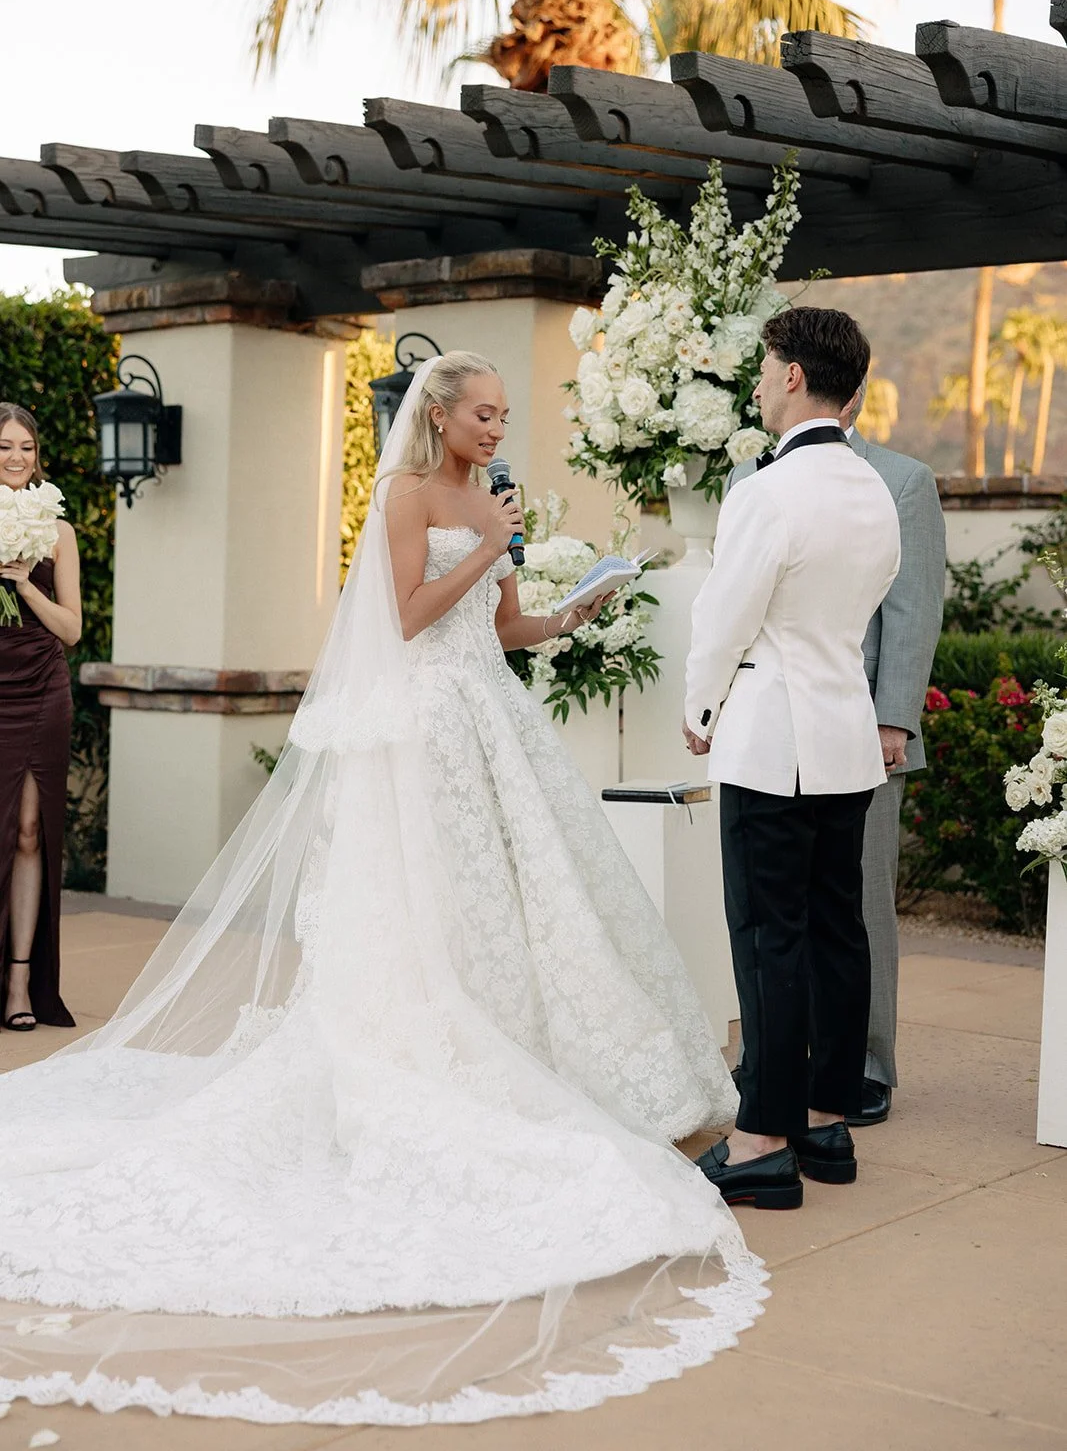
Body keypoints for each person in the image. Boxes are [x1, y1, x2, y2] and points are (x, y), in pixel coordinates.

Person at [0, 351, 764, 1429]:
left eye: (506, 415)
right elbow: (405, 618)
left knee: (528, 909)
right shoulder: (408, 493)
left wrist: (560, 615)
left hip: (490, 718)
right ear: (438, 415)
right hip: (424, 734)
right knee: (431, 912)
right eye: (483, 413)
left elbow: (495, 627)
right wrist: (490, 545)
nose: (498, 430)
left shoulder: (491, 499)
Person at [683, 308, 900, 1209]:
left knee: (768, 935)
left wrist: (699, 708)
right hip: (844, 736)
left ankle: (761, 1140)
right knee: (833, 934)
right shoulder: (872, 487)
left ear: (795, 378)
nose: (761, 381)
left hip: (772, 736)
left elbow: (724, 616)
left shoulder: (764, 490)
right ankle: (824, 1119)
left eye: (768, 367)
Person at [725, 382, 945, 1127]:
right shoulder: (749, 474)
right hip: (770, 732)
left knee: (856, 908)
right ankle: (781, 1062)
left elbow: (912, 612)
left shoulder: (902, 479)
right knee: (781, 916)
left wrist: (893, 722)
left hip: (860, 734)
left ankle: (865, 1065)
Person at [0, 403, 80, 1033]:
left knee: (30, 833)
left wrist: (26, 585)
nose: (17, 458)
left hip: (42, 686)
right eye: (4, 447)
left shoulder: (60, 532)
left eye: (26, 447)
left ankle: (21, 982)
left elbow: (73, 630)